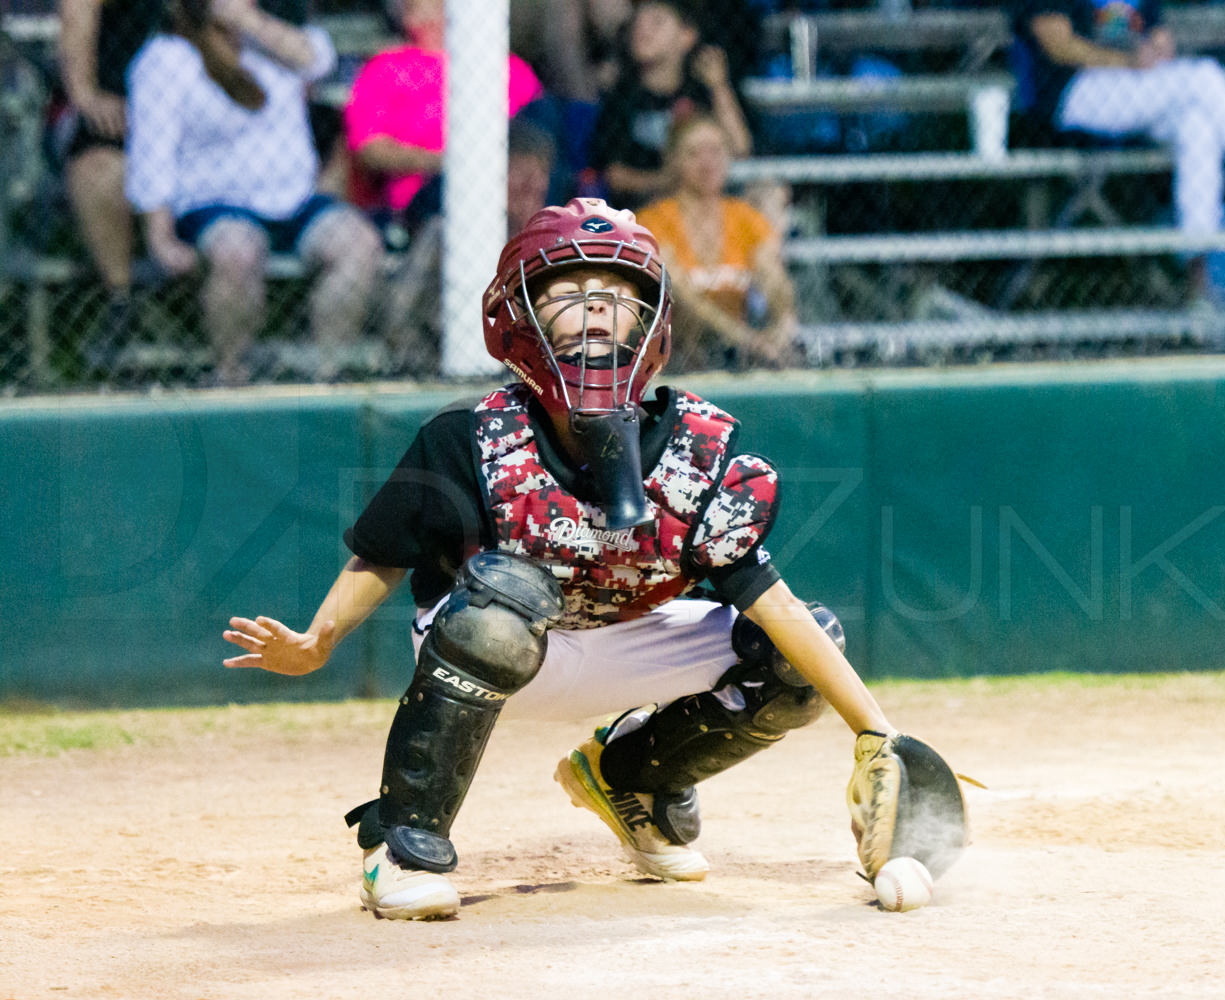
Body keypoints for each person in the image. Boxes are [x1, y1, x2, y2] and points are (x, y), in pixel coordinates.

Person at [221, 198, 964, 920]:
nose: (599, 306)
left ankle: (632, 780)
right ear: (518, 318)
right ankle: (406, 844)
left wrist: (874, 731)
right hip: (490, 641)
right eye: (570, 292)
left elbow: (777, 603)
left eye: (618, 293)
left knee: (801, 655)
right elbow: (381, 559)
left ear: (652, 321)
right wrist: (317, 642)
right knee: (504, 601)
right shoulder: (469, 439)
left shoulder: (696, 448)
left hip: (627, 637)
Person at [126, 0, 384, 384]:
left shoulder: (271, 42)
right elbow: (152, 152)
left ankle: (326, 373)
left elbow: (318, 61)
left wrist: (247, 20)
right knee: (237, 253)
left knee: (360, 244)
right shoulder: (166, 57)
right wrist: (159, 235)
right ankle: (231, 376)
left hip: (294, 201)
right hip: (212, 204)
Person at [1012, 0, 1225, 238]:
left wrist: (1159, 47)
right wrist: (1129, 62)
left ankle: (1199, 276)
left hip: (1131, 87)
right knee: (1203, 76)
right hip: (1069, 95)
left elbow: (1154, 29)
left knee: (1198, 122)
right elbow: (1056, 44)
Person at [344, 0, 545, 373]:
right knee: (446, 219)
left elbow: (538, 145)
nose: (409, 6)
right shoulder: (387, 67)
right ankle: (408, 345)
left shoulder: (509, 69)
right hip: (423, 202)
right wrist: (461, 163)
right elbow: (369, 148)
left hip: (510, 197)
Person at [637, 114, 798, 371]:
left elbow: (772, 276)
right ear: (674, 161)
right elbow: (681, 294)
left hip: (737, 350)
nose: (707, 163)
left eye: (715, 151)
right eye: (694, 153)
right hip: (679, 351)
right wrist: (743, 338)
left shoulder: (745, 218)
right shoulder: (653, 221)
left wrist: (783, 325)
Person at [55, 0, 164, 364]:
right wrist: (86, 95)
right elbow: (77, 9)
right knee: (101, 169)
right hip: (113, 110)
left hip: (193, 113)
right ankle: (121, 301)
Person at [589, 0, 752, 209]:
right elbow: (613, 174)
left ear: (687, 36)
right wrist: (668, 181)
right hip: (645, 209)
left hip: (705, 203)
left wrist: (719, 87)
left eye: (657, 22)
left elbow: (740, 147)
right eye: (638, 22)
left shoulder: (700, 91)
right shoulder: (622, 97)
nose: (643, 29)